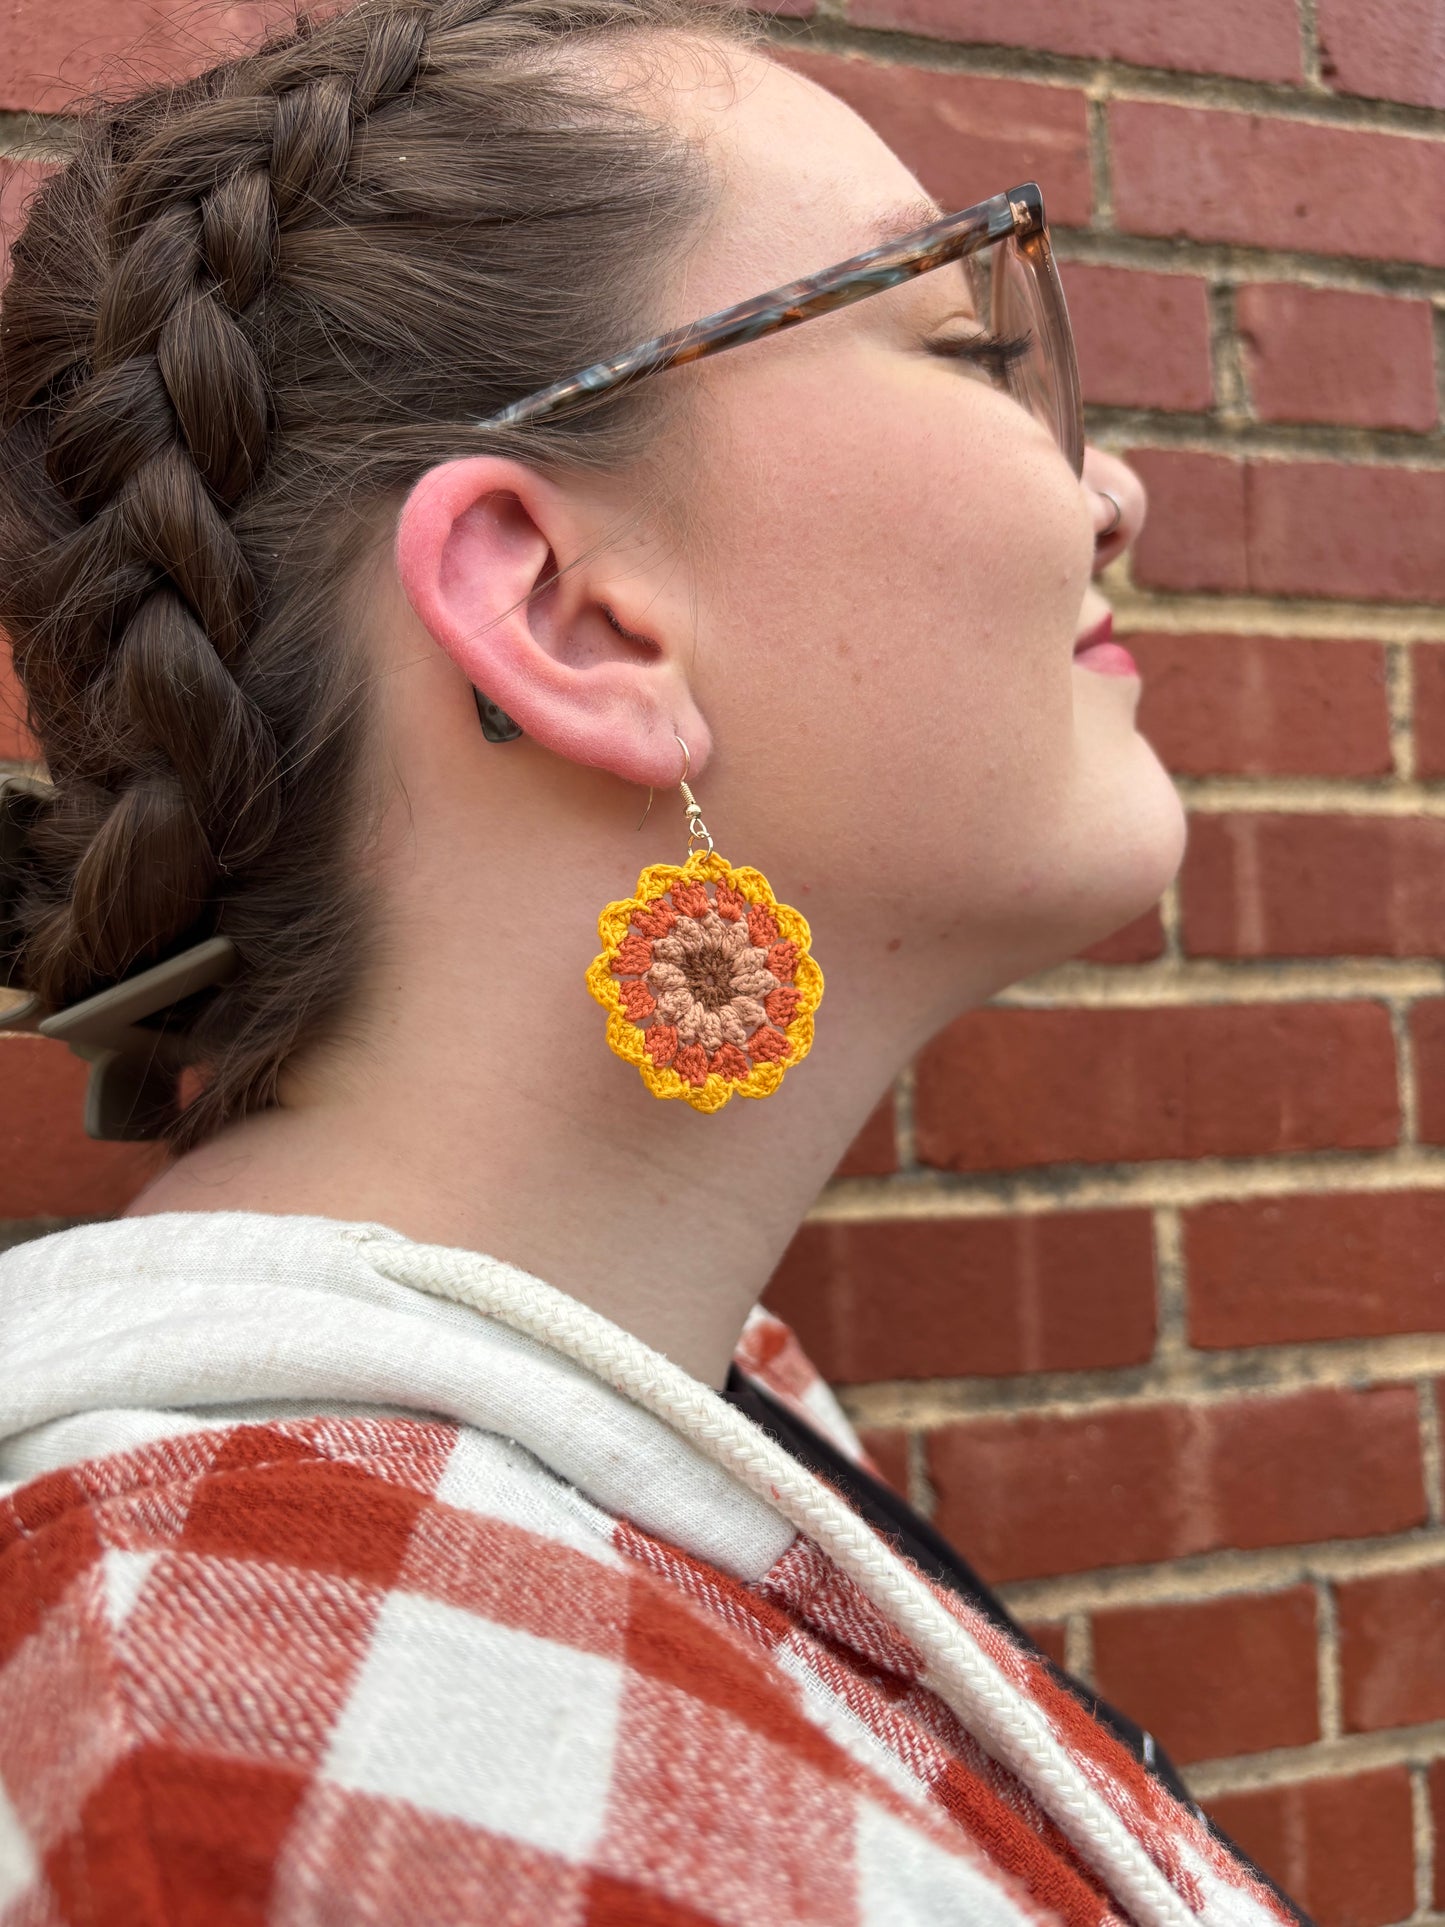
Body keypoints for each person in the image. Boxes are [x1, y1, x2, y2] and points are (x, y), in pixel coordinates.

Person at [0, 1, 1309, 1920]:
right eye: (967, 337)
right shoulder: (299, 1721)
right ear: (574, 612)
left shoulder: (631, 1435)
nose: (1108, 488)